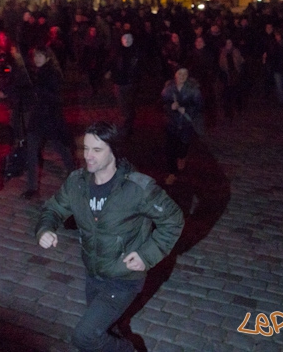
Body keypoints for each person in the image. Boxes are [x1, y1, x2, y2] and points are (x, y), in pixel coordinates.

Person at [35, 121, 184, 352]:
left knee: (85, 337)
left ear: (113, 150)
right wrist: (46, 228)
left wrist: (147, 255)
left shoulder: (137, 188)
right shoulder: (77, 183)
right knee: (104, 332)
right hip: (94, 275)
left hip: (123, 279)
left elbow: (173, 220)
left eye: (97, 149)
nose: (88, 156)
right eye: (85, 148)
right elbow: (53, 209)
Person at [21, 46, 75, 200]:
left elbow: (57, 98)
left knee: (61, 148)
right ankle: (32, 187)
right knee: (31, 151)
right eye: (35, 56)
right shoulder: (36, 73)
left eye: (40, 56)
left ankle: (74, 174)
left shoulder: (52, 73)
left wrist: (40, 90)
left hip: (51, 118)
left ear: (48, 58)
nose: (37, 59)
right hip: (38, 118)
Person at [161, 68, 203, 185]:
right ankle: (172, 173)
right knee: (170, 150)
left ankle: (182, 156)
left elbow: (199, 106)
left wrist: (187, 110)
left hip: (186, 124)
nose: (182, 76)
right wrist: (170, 108)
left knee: (183, 146)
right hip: (172, 123)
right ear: (175, 74)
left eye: (185, 73)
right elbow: (163, 104)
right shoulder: (169, 89)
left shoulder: (193, 89)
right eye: (180, 73)